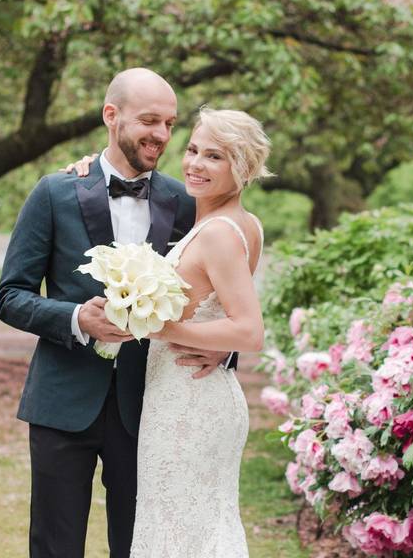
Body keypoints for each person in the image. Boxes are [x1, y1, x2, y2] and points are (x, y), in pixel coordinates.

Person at [0, 68, 233, 558]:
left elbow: (224, 296)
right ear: (111, 116)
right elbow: (11, 295)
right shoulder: (53, 193)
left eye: (170, 124)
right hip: (62, 401)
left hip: (151, 405)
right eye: (150, 120)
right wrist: (77, 318)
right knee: (55, 546)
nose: (162, 135)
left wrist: (224, 350)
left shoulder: (185, 203)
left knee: (140, 545)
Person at [66, 106, 271, 557]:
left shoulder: (217, 232)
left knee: (178, 528)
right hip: (194, 389)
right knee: (195, 524)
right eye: (194, 149)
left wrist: (156, 324)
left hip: (187, 400)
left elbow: (248, 330)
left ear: (242, 166)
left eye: (215, 157)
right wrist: (86, 168)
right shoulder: (243, 224)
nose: (196, 164)